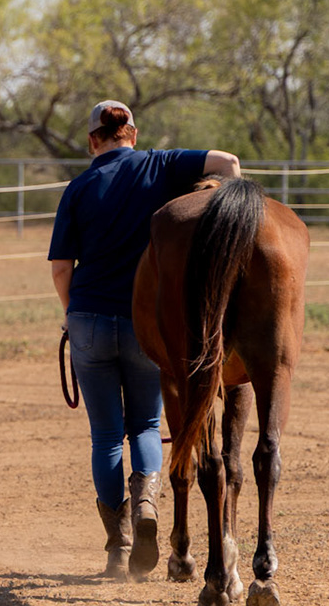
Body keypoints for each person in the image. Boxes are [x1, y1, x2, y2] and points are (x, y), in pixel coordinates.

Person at [48, 100, 240, 578]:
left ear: (93, 140)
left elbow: (59, 268)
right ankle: (148, 508)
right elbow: (229, 164)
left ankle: (118, 546)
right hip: (144, 322)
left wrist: (71, 314)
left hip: (89, 319)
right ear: (133, 133)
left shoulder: (78, 187)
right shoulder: (161, 164)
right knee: (147, 428)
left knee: (107, 437)